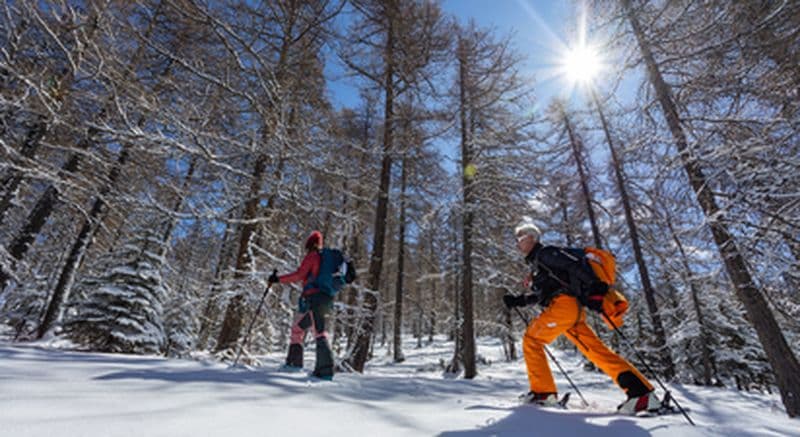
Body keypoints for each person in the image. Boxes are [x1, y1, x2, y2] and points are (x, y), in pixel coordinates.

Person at [504, 223, 661, 414]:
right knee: (596, 351)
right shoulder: (539, 264)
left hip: (564, 307)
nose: (517, 243)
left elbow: (574, 265)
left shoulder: (546, 253)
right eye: (516, 239)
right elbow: (547, 293)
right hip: (572, 311)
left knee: (532, 340)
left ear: (532, 238)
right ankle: (642, 394)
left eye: (520, 238)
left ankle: (543, 393)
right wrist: (519, 300)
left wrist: (595, 287)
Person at [268, 230, 335, 380]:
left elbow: (299, 275)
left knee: (318, 332)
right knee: (298, 329)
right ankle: (294, 364)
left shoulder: (312, 256)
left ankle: (325, 372)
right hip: (323, 300)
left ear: (309, 244)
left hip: (313, 300)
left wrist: (278, 279)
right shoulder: (324, 259)